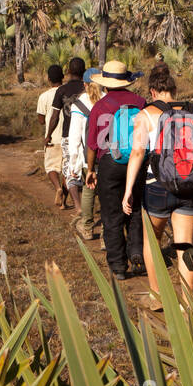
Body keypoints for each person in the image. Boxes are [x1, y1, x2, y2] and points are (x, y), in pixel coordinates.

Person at [122, 62, 193, 308]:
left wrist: (128, 191)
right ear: (174, 90)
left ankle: (158, 296)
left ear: (153, 92)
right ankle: (188, 303)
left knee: (152, 242)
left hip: (157, 186)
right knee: (184, 244)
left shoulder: (146, 114)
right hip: (190, 186)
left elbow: (136, 153)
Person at [85, 60, 146, 280]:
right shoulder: (141, 102)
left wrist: (91, 169)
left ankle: (119, 265)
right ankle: (137, 253)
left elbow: (93, 144)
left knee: (111, 214)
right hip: (137, 162)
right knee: (135, 208)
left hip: (110, 163)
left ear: (105, 83)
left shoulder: (100, 106)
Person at [47, 57, 88, 211]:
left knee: (71, 169)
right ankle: (87, 201)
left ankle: (78, 206)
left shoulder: (62, 90)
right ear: (84, 71)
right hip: (88, 134)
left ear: (69, 72)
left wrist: (48, 135)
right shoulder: (88, 88)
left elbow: (55, 117)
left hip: (68, 135)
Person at [67, 68, 102, 240]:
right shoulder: (107, 101)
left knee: (89, 190)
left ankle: (87, 227)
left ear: (84, 84)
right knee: (106, 194)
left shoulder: (79, 104)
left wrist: (74, 163)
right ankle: (106, 233)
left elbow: (74, 136)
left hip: (88, 156)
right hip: (108, 156)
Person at [37, 64, 67, 208]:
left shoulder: (44, 96)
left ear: (48, 79)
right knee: (67, 171)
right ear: (63, 77)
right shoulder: (69, 93)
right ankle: (64, 202)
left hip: (52, 137)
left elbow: (41, 120)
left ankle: (57, 188)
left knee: (51, 168)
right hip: (68, 138)